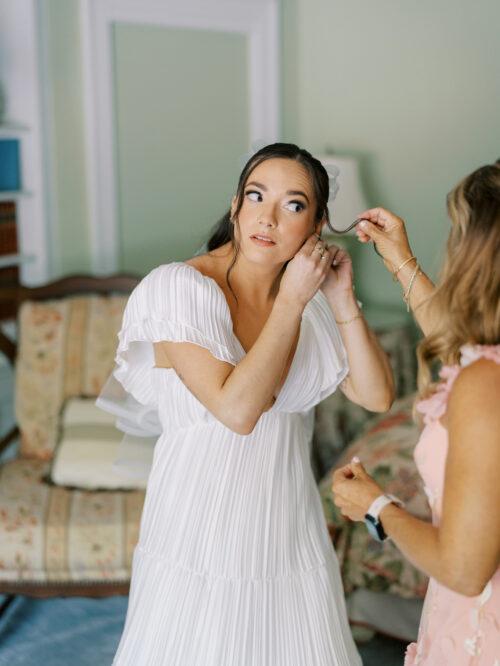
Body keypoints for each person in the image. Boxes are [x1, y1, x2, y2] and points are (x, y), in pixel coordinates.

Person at [99, 143, 395, 665]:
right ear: (235, 204)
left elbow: (376, 395)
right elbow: (237, 411)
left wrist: (342, 297)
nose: (268, 216)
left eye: (293, 205)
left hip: (287, 530)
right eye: (256, 196)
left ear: (317, 227)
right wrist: (292, 302)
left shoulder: (309, 299)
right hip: (199, 532)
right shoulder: (179, 290)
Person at [331, 160, 500, 665]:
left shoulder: (484, 385)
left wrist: (377, 507)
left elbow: (466, 570)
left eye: (459, 233)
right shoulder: (486, 365)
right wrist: (400, 260)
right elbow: (460, 347)